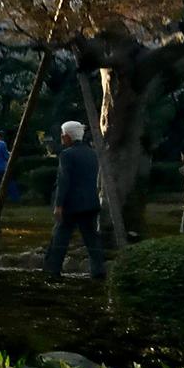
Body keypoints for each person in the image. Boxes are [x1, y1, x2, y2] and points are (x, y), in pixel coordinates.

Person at [45, 120, 107, 280]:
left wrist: (58, 205)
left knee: (60, 237)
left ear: (67, 137)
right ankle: (98, 270)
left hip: (71, 204)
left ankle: (52, 270)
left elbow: (64, 181)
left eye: (62, 135)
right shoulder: (92, 152)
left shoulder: (66, 155)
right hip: (90, 202)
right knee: (92, 239)